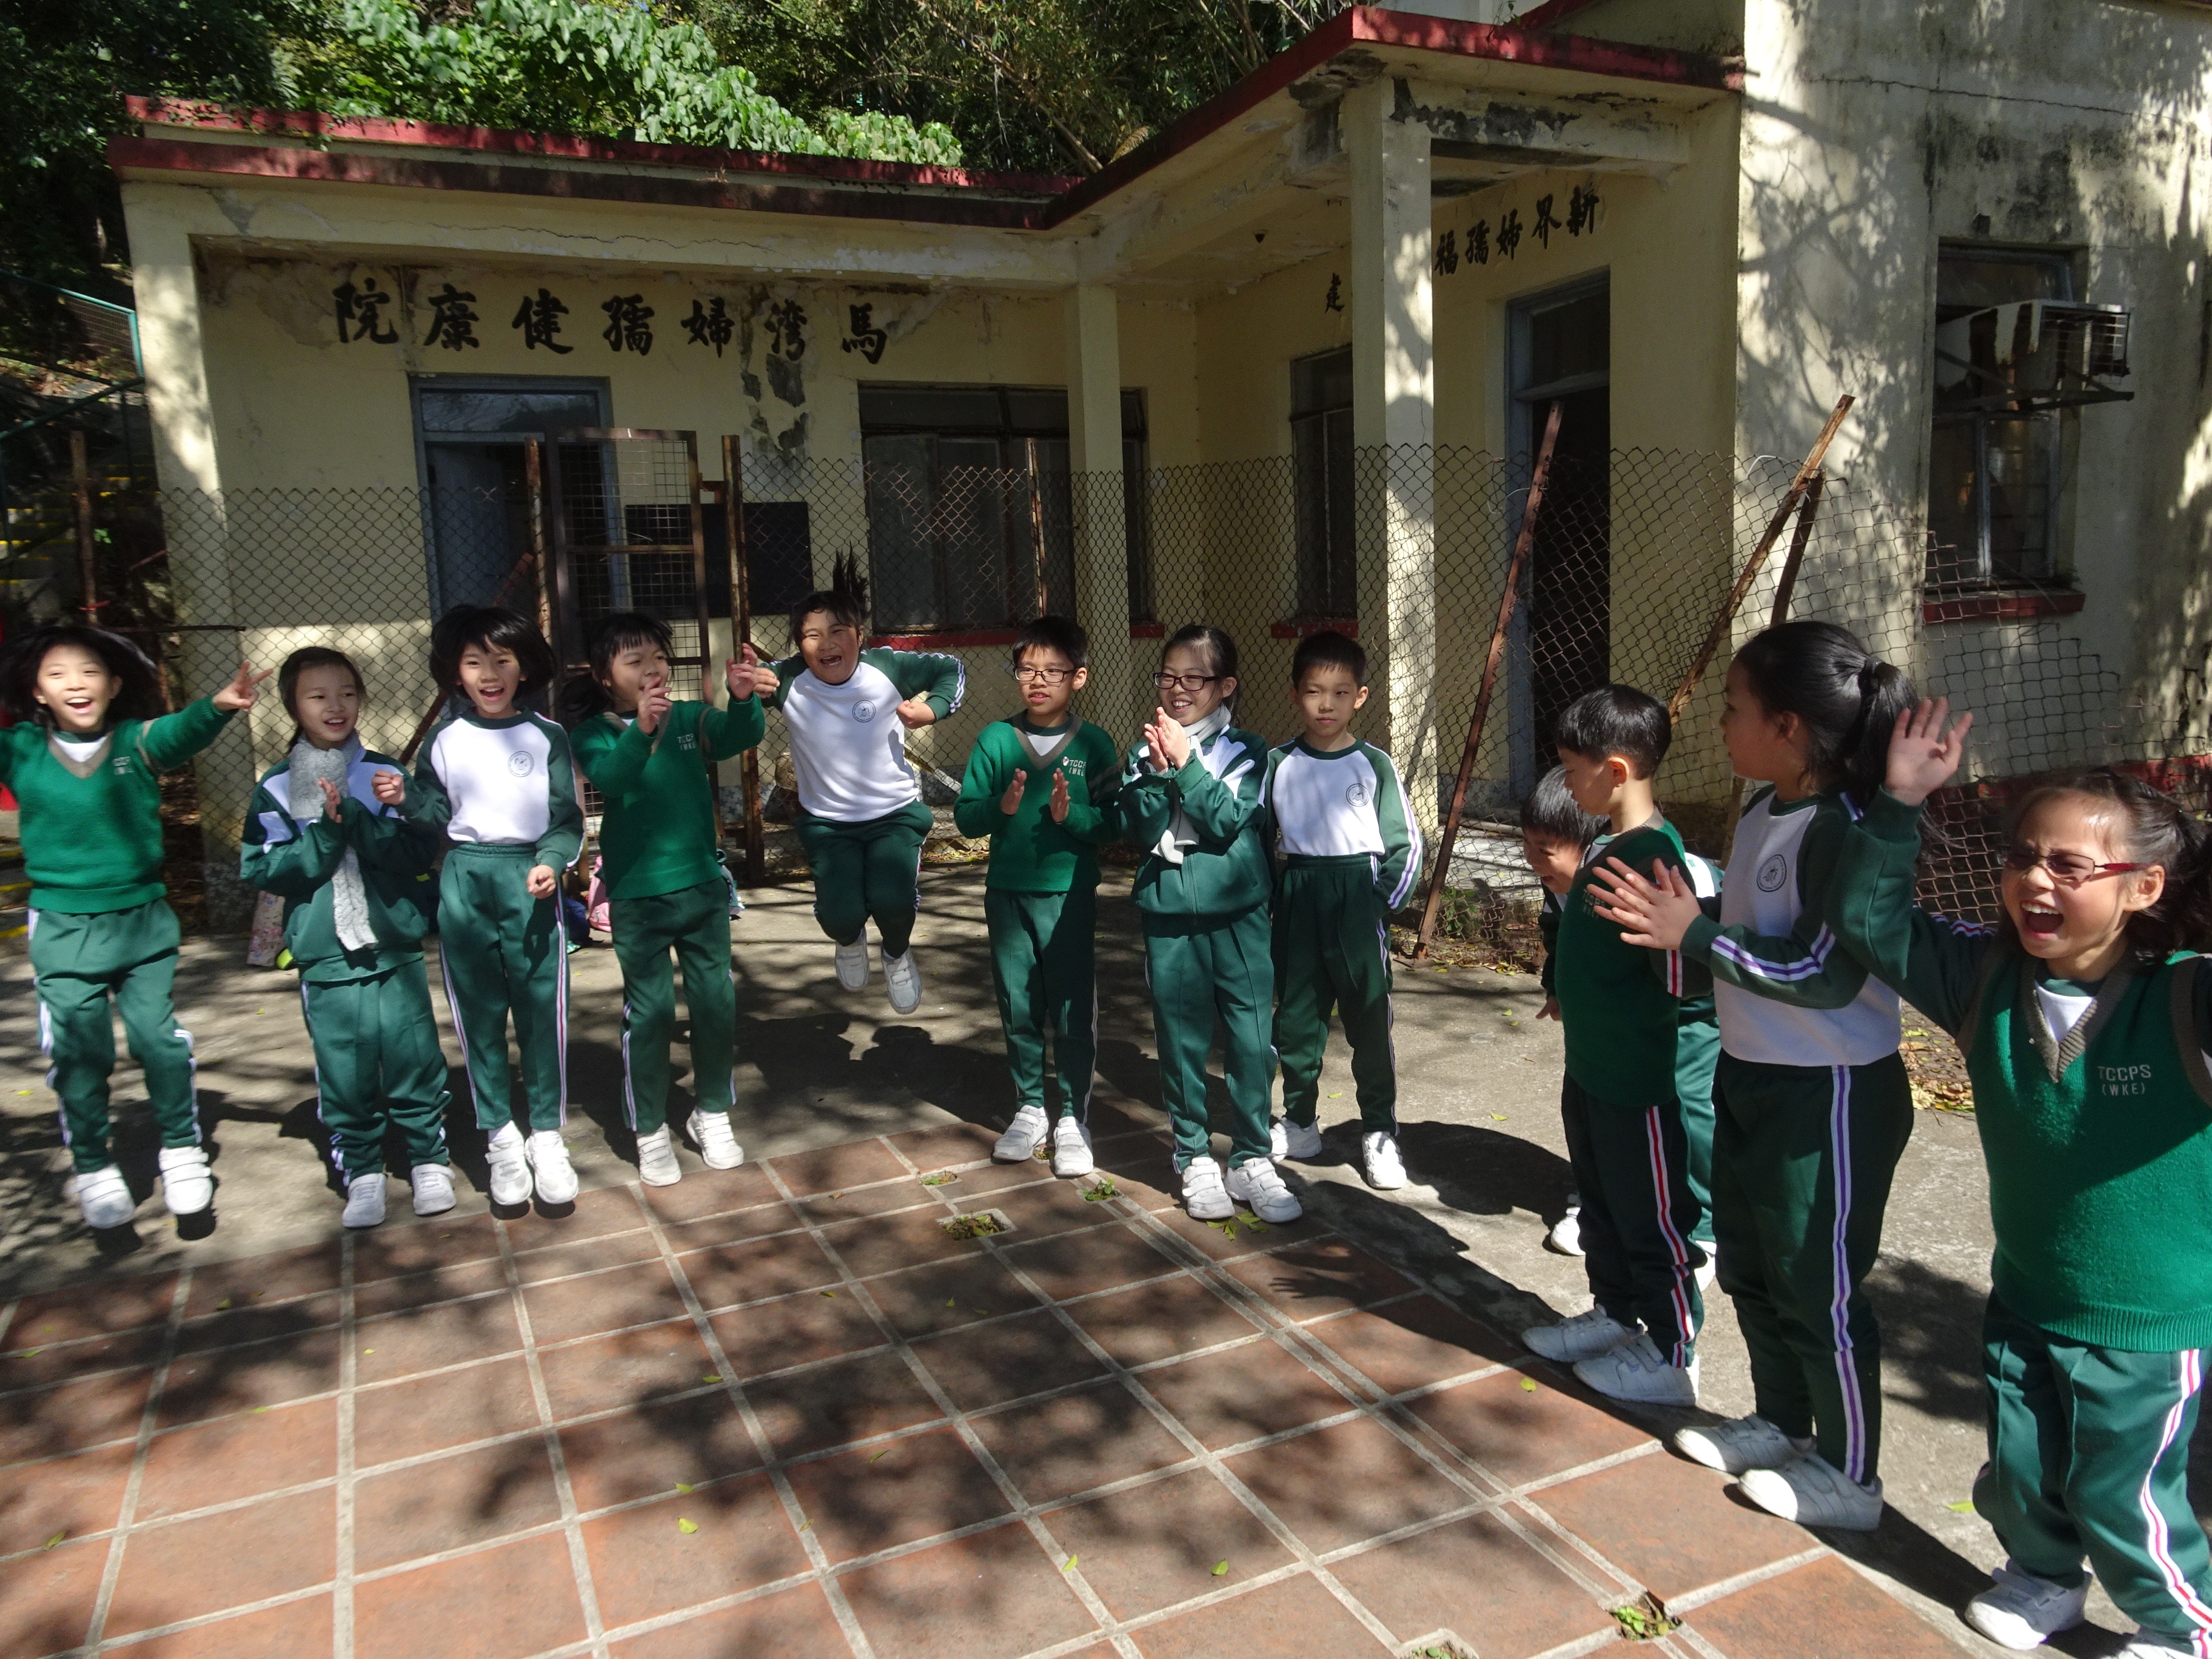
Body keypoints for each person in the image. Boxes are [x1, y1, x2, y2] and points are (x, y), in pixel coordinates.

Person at [1833, 705, 2212, 1658]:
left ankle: (2181, 1624)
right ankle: (2044, 1577)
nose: (2035, 880)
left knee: (2122, 1490)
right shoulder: (1986, 980)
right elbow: (1869, 920)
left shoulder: (2184, 997)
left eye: (2070, 867)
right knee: (2019, 1468)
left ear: (2144, 887)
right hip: (2029, 1292)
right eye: (2022, 857)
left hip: (2147, 1320)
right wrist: (1900, 801)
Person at [1591, 619, 1917, 1529]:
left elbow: (1826, 972)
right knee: (1752, 1264)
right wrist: (1682, 931)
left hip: (1831, 1093)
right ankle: (1780, 1421)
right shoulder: (1767, 810)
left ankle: (1850, 1474)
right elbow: (1743, 943)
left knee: (1819, 1283)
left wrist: (1695, 934)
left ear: (1788, 726)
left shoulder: (1844, 829)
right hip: (1753, 1074)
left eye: (1734, 708)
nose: (1720, 725)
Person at [0, 625, 268, 1228]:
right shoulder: (19, 748)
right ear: (37, 691)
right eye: (58, 674)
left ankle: (183, 1150)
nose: (76, 684)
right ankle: (94, 1166)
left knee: (157, 1040)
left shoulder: (134, 742)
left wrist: (218, 707)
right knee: (79, 1052)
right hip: (64, 928)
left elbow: (178, 732)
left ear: (115, 684)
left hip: (142, 924)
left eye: (90, 671)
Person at [1521, 686, 1710, 1407]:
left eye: (1575, 769)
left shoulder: (1655, 857)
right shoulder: (1606, 843)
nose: (1566, 783)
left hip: (1637, 1084)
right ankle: (1615, 1314)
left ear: (1619, 772)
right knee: (1601, 1204)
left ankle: (1672, 1352)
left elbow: (1681, 977)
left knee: (1649, 1217)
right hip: (1592, 1072)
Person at [375, 606, 583, 1210]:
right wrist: (406, 798)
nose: (489, 674)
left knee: (541, 1013)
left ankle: (547, 1136)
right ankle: (500, 1136)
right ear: (455, 673)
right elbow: (435, 814)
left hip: (530, 882)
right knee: (480, 1016)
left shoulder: (547, 735)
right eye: (474, 662)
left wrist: (552, 861)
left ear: (524, 667)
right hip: (465, 881)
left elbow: (567, 821)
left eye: (502, 659)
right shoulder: (445, 740)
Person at [241, 647, 452, 1227]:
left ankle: (428, 1158)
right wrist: (326, 837)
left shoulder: (384, 775)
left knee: (412, 1053)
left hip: (393, 946)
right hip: (326, 955)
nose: (335, 706)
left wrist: (365, 820)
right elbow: (264, 868)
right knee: (344, 1066)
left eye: (348, 693)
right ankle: (361, 1169)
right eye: (318, 696)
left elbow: (417, 853)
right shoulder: (277, 786)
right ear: (293, 706)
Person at [563, 613, 765, 1187]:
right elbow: (612, 778)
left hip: (701, 887)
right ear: (605, 677)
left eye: (658, 657)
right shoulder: (594, 732)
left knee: (715, 1002)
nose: (652, 669)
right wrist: (643, 731)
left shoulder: (689, 716)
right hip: (637, 896)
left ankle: (712, 1112)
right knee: (650, 1013)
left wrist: (743, 699)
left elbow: (739, 736)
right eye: (635, 661)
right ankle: (649, 1129)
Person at [1115, 624, 1299, 1224]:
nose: (1178, 689)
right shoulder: (1140, 752)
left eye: (1194, 678)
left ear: (1225, 687)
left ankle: (1251, 1158)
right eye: (1168, 676)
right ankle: (1193, 1156)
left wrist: (1184, 767)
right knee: (1181, 1041)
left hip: (1240, 916)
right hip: (1169, 917)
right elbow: (1143, 828)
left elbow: (1224, 820)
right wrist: (1159, 772)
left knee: (1251, 1040)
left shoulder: (1248, 751)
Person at [741, 586, 964, 1015]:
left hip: (894, 816)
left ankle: (896, 954)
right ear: (799, 646)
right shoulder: (788, 679)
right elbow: (746, 693)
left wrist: (932, 710)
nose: (826, 644)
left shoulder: (887, 667)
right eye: (812, 636)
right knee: (840, 913)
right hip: (828, 824)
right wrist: (743, 687)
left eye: (838, 631)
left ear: (860, 635)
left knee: (892, 901)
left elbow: (949, 668)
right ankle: (849, 939)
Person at [954, 617, 1122, 1177]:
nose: (1039, 681)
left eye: (1053, 671)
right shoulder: (996, 740)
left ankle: (1073, 1117)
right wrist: (999, 807)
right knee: (1018, 1003)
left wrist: (1072, 815)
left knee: (1071, 1006)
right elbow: (966, 816)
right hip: (1007, 895)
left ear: (1079, 677)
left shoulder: (1094, 744)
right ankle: (1029, 1107)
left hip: (1069, 896)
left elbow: (1114, 822)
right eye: (1028, 670)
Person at [1262, 630, 1419, 1190]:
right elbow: (1259, 841)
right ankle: (1299, 1121)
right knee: (1296, 1021)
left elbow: (1407, 846)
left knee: (1369, 1023)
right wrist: (1270, 902)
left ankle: (1379, 1131)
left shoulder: (1374, 764)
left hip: (1357, 899)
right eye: (1313, 691)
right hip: (1299, 897)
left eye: (1339, 692)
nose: (1325, 704)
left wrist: (1377, 907)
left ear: (1361, 697)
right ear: (1294, 695)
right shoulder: (1277, 762)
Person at [1521, 765, 1606, 1257]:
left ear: (1587, 844)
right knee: (1581, 1107)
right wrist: (1556, 989)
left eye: (1545, 849)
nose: (1533, 861)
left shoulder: (1622, 880)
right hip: (1590, 1028)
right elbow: (1558, 937)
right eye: (1526, 846)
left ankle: (1695, 1227)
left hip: (1641, 1033)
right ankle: (1592, 1198)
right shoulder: (1555, 879)